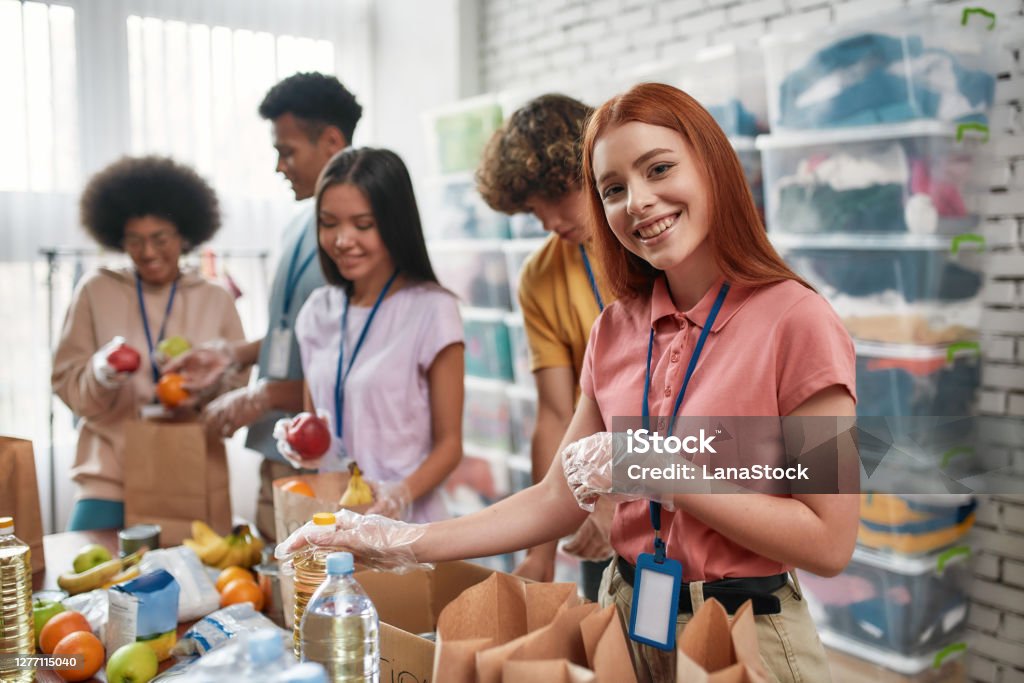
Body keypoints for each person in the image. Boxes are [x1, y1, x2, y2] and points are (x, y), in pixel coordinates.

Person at [280, 83, 860, 682]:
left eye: (659, 169)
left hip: (749, 633)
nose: (637, 202)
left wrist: (660, 470)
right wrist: (400, 539)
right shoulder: (615, 329)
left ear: (713, 167)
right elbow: (556, 498)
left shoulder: (798, 321)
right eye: (612, 190)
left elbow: (828, 541)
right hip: (629, 618)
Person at [166, 72, 362, 541]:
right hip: (279, 447)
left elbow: (350, 369)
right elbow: (298, 334)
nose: (279, 166)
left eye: (287, 151)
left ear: (332, 141)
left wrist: (261, 396)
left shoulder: (355, 243)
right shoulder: (298, 225)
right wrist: (233, 355)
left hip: (328, 462)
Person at [52, 156, 245, 531]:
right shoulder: (97, 291)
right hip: (109, 471)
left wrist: (204, 393)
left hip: (192, 471)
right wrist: (101, 373)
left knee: (204, 586)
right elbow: (68, 386)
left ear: (185, 235)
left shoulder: (215, 298)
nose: (148, 252)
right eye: (134, 240)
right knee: (86, 578)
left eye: (160, 238)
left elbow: (236, 396)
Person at [276, 147, 465, 523]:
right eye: (329, 223)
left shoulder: (432, 309)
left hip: (408, 527)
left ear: (394, 225)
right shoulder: (317, 310)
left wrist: (400, 494)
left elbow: (450, 446)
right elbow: (319, 422)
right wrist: (300, 442)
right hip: (335, 518)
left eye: (363, 225)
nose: (343, 240)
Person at [476, 93, 614, 596]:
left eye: (557, 196)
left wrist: (621, 497)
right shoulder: (540, 276)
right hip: (599, 498)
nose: (550, 221)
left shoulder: (657, 243)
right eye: (534, 210)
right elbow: (556, 414)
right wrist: (541, 548)